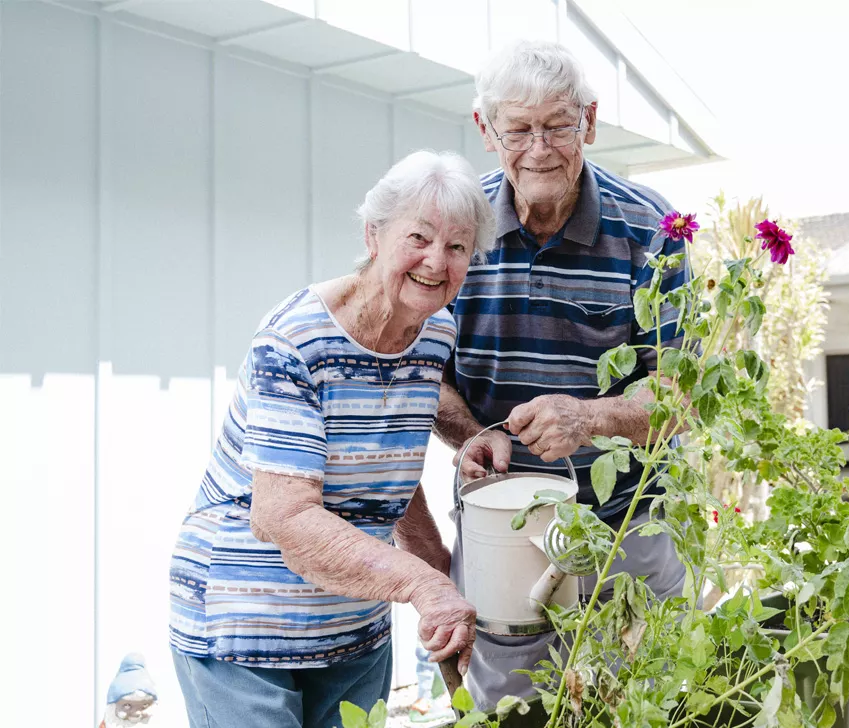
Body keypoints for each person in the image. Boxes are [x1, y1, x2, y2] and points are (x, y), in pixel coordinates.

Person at [168, 150, 494, 728]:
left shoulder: (433, 330)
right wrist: (421, 583)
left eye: (457, 247)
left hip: (353, 632)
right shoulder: (295, 342)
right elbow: (284, 516)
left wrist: (468, 442)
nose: (435, 261)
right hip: (244, 626)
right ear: (373, 234)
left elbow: (388, 436)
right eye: (418, 237)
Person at [432, 40, 691, 710]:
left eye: (558, 125)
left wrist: (589, 418)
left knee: (644, 707)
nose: (539, 148)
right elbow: (419, 373)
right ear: (486, 130)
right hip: (500, 529)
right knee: (511, 710)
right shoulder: (455, 230)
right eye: (518, 128)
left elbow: (678, 393)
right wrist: (475, 430)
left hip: (627, 527)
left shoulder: (651, 233)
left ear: (592, 122)